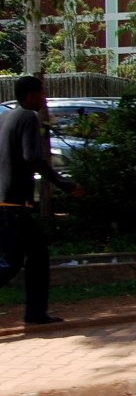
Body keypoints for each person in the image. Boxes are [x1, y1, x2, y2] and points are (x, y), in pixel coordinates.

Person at [1, 75, 83, 325]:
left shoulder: (5, 117)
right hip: (13, 203)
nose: (44, 98)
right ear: (31, 95)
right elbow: (33, 158)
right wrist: (65, 184)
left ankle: (35, 313)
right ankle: (35, 313)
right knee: (11, 262)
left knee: (35, 255)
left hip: (6, 202)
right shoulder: (27, 117)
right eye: (41, 93)